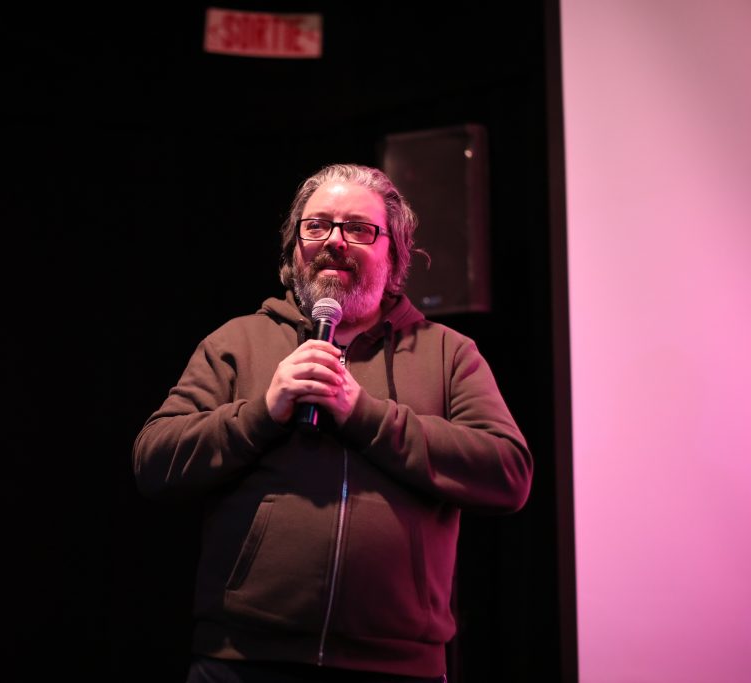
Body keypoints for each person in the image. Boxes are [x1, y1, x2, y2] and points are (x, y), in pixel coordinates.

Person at [132, 163, 532, 682]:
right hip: (241, 659)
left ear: (395, 253)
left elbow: (507, 473)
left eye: (358, 229)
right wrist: (263, 412)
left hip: (397, 666)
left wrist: (363, 413)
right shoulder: (236, 343)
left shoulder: (448, 354)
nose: (334, 241)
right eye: (317, 225)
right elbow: (154, 462)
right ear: (294, 246)